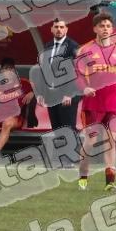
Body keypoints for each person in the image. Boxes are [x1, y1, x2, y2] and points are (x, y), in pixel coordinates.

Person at [75, 13, 116, 191]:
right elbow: (78, 74)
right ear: (95, 29)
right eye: (101, 26)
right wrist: (84, 88)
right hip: (93, 104)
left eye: (108, 26)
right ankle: (83, 177)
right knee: (90, 142)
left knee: (111, 142)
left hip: (113, 104)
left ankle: (110, 183)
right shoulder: (86, 50)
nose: (105, 29)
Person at [38, 17, 81, 164]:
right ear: (51, 29)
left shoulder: (73, 46)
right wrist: (41, 93)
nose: (59, 30)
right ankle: (61, 157)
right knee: (56, 127)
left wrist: (69, 94)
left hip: (68, 93)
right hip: (52, 94)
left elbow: (77, 72)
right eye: (56, 27)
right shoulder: (47, 46)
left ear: (66, 29)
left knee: (67, 126)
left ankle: (70, 158)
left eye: (62, 27)